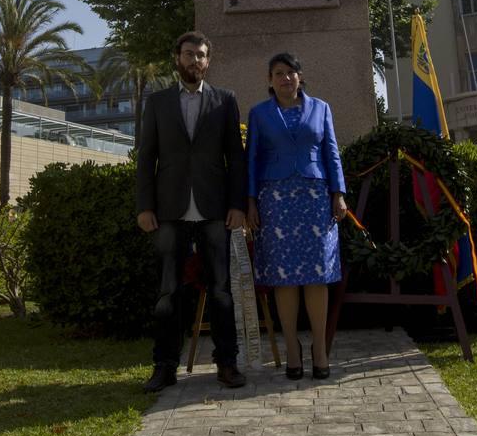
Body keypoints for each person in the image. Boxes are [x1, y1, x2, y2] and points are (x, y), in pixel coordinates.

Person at [135, 31, 248, 392]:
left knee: (221, 292)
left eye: (201, 55)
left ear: (208, 61)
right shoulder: (157, 102)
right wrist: (145, 206)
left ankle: (227, 364)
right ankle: (164, 366)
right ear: (177, 58)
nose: (194, 60)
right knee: (169, 293)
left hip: (216, 210)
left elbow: (236, 158)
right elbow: (146, 158)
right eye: (188, 54)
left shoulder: (225, 100)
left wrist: (237, 205)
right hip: (169, 212)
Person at [245, 52, 347, 380]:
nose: (286, 78)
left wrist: (339, 193)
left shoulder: (321, 108)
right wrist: (250, 202)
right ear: (269, 80)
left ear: (300, 76)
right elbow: (252, 160)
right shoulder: (260, 114)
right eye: (278, 73)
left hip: (316, 199)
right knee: (283, 277)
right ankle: (292, 347)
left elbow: (331, 151)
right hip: (274, 200)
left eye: (291, 72)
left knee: (317, 274)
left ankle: (319, 348)